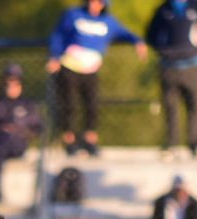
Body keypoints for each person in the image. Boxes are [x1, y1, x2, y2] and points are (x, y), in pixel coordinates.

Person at [46, 0, 148, 156]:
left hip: (91, 69)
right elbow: (58, 35)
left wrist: (137, 41)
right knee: (69, 104)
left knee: (91, 104)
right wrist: (54, 56)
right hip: (70, 66)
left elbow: (125, 32)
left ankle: (89, 139)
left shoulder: (108, 21)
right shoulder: (73, 15)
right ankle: (69, 139)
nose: (94, 4)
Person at [145, 0, 197, 158]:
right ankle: (171, 144)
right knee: (170, 106)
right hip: (168, 66)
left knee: (194, 105)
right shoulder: (163, 9)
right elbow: (151, 34)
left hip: (192, 66)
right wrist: (163, 51)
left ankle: (194, 144)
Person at [0, 64, 43, 204]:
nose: (11, 86)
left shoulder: (27, 105)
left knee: (1, 142)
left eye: (15, 82)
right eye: (8, 83)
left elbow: (38, 128)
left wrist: (21, 131)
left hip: (17, 144)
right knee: (1, 141)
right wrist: (0, 129)